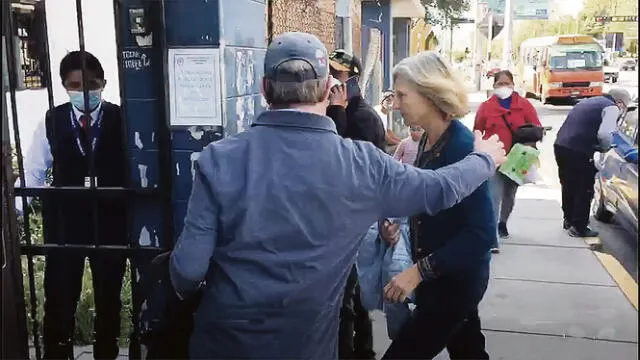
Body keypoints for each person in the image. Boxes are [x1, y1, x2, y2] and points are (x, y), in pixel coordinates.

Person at [169, 32, 506, 360]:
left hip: (223, 342)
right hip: (307, 345)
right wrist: (485, 159)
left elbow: (187, 269)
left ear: (263, 89)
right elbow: (440, 189)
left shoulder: (217, 159)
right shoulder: (363, 164)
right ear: (330, 90)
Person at [380, 51, 496, 360]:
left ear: (430, 94)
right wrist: (398, 224)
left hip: (454, 284)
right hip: (442, 280)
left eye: (402, 95)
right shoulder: (428, 140)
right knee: (468, 351)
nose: (396, 103)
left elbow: (483, 233)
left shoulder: (459, 146)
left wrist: (418, 271)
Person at [15, 51, 127, 359]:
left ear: (104, 83)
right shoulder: (53, 119)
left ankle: (107, 350)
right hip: (65, 223)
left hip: (109, 221)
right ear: (64, 86)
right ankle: (56, 351)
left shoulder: (122, 118)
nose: (85, 91)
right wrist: (13, 213)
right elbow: (33, 173)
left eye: (91, 83)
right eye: (75, 85)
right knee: (60, 295)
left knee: (108, 297)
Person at [325, 48, 384, 359]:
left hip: (354, 221)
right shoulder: (336, 113)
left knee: (346, 299)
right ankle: (363, 350)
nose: (332, 79)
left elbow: (340, 162)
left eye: (339, 75)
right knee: (352, 294)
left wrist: (336, 113)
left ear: (353, 81)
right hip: (338, 220)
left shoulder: (362, 118)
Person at [474, 70, 541, 250]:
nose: (503, 87)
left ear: (513, 84)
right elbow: (478, 131)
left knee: (510, 194)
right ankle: (492, 238)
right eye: (499, 84)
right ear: (494, 86)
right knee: (493, 196)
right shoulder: (486, 107)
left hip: (518, 160)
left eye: (507, 83)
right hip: (495, 157)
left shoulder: (524, 105)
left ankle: (502, 223)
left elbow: (537, 128)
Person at [554, 88, 631, 237]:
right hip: (580, 150)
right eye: (625, 107)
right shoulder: (611, 107)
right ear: (620, 102)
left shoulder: (588, 102)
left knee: (569, 185)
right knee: (584, 188)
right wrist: (605, 147)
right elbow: (604, 134)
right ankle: (579, 227)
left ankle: (568, 220)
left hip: (561, 145)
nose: (623, 110)